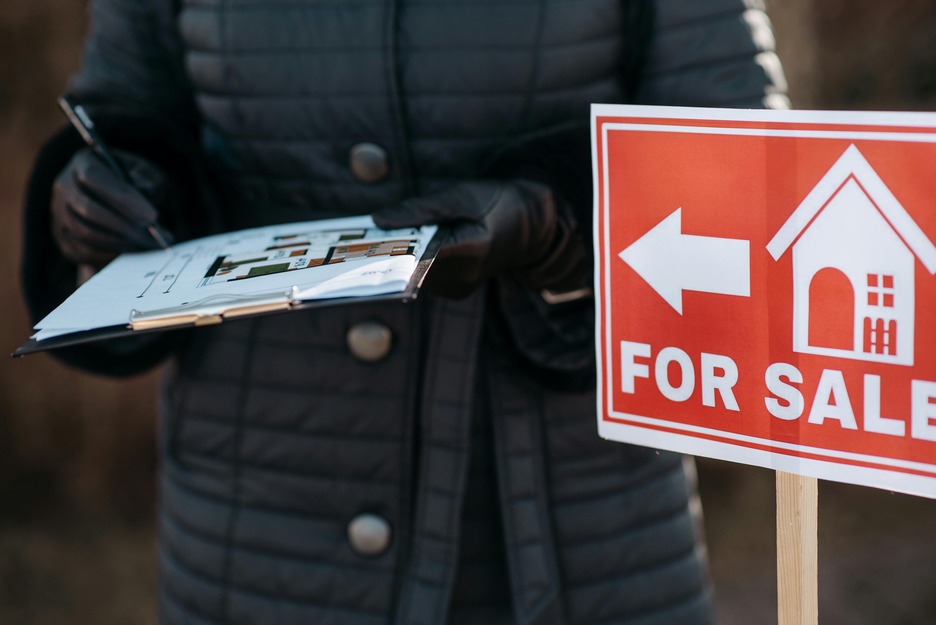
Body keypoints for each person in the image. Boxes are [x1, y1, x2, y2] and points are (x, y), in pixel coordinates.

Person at [21, 1, 789, 623]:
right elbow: (124, 104)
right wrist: (108, 193)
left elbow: (742, 154)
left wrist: (558, 223)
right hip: (252, 524)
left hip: (563, 526)